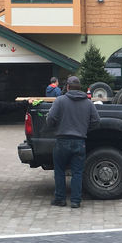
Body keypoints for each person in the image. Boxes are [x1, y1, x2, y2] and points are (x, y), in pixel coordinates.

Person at [46, 76, 100, 208]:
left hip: (62, 141)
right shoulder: (88, 103)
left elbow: (51, 119)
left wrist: (54, 126)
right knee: (77, 172)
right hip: (79, 141)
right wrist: (85, 129)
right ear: (80, 88)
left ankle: (60, 199)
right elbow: (96, 122)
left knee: (59, 171)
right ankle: (76, 200)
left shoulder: (60, 101)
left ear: (68, 87)